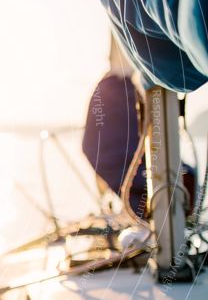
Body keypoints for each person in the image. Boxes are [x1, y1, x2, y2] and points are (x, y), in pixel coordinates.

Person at [82, 34, 196, 220]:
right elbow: (95, 149)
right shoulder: (111, 90)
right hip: (145, 197)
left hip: (156, 193)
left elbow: (93, 148)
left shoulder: (118, 88)